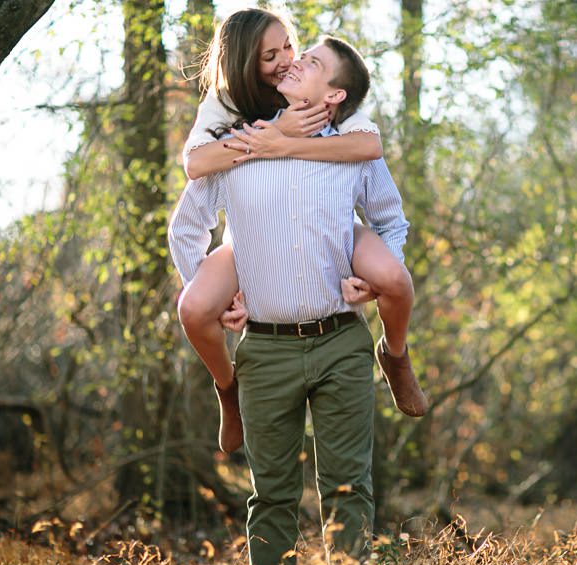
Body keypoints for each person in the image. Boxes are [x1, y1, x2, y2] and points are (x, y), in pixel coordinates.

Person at [169, 35, 404, 565]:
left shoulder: (351, 148)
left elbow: (390, 219)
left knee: (349, 489)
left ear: (334, 95)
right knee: (271, 497)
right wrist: (213, 287)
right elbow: (187, 227)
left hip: (343, 340)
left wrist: (375, 275)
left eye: (308, 60)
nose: (293, 62)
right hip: (266, 351)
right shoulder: (239, 143)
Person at [177, 9, 427, 455]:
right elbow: (194, 167)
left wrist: (288, 142)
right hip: (250, 238)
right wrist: (267, 135)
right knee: (193, 308)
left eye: (289, 46)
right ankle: (227, 388)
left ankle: (395, 354)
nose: (287, 59)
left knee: (394, 278)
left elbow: (369, 147)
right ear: (244, 68)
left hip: (332, 226)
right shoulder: (226, 106)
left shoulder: (327, 96)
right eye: (269, 56)